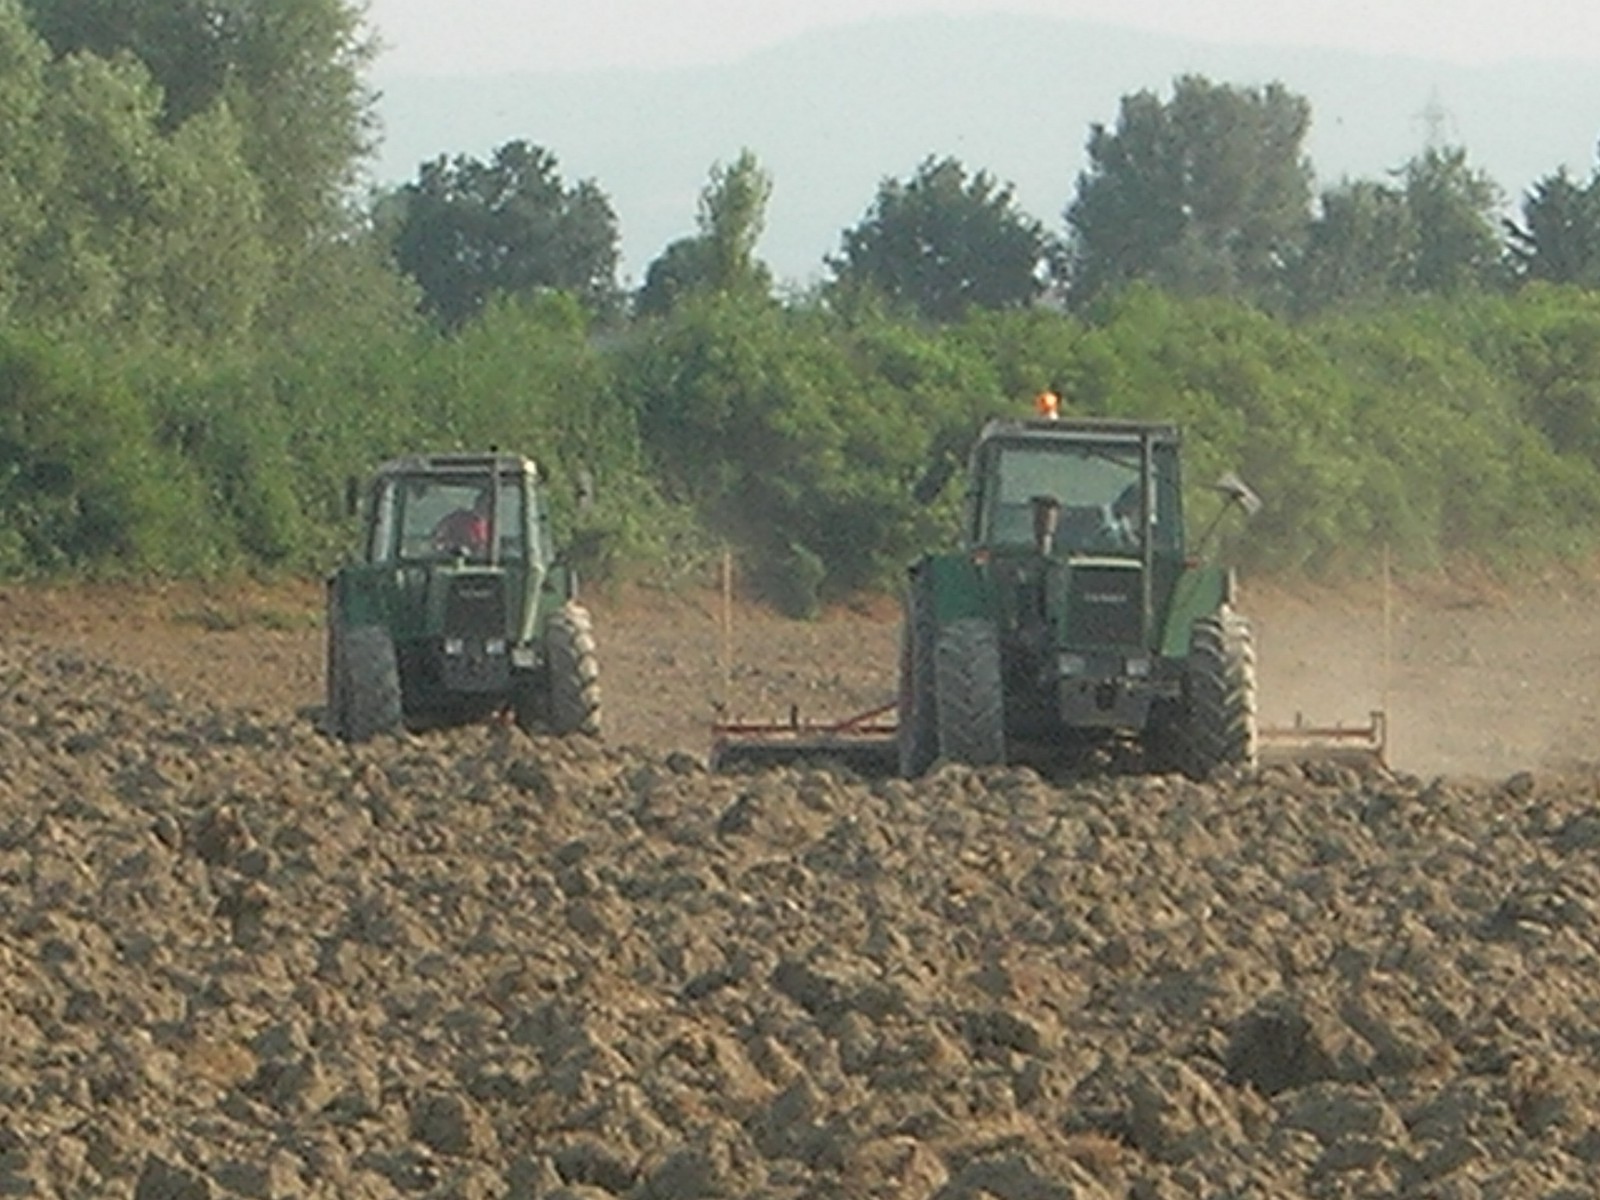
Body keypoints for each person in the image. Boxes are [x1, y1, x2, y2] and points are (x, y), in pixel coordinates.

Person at [432, 487, 491, 555]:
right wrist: (455, 548)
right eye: (486, 503)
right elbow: (438, 541)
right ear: (477, 502)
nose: (487, 507)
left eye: (490, 504)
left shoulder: (496, 526)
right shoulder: (457, 519)